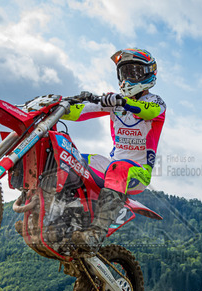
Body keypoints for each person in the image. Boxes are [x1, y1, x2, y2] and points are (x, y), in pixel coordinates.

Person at [64, 48, 166, 251]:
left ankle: (96, 233)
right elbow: (79, 112)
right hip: (113, 166)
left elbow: (148, 112)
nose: (128, 77)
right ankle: (60, 216)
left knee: (118, 168)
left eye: (134, 72)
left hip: (138, 172)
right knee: (70, 158)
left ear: (148, 73)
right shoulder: (115, 103)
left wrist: (122, 101)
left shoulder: (156, 102)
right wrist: (57, 106)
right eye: (125, 72)